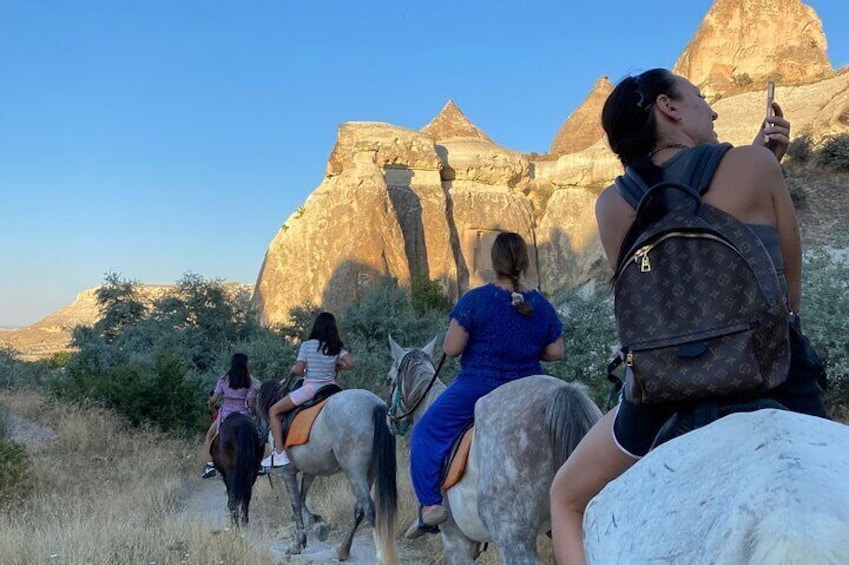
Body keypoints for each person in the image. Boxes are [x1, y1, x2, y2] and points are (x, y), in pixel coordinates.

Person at [549, 68, 826, 565]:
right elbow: (790, 299)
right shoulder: (756, 166)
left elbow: (660, 301)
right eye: (701, 98)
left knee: (565, 499)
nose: (713, 110)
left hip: (664, 395)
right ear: (668, 107)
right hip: (775, 377)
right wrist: (764, 161)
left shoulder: (611, 205)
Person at [406, 231, 565, 539]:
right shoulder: (540, 304)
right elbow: (557, 352)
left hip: (481, 384)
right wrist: (528, 347)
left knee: (425, 430)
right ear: (524, 262)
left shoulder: (475, 301)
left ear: (495, 263)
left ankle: (429, 506)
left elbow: (451, 349)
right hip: (530, 387)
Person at [261, 311, 355, 469]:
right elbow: (351, 364)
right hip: (333, 388)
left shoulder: (307, 345)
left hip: (311, 388)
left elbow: (299, 370)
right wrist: (337, 365)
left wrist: (293, 368)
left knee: (274, 411)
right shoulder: (336, 346)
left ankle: (279, 454)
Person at [201, 352, 257, 478]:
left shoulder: (223, 379)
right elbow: (251, 403)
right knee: (256, 437)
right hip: (243, 414)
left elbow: (214, 399)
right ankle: (256, 463)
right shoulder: (249, 381)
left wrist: (210, 405)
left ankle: (210, 464)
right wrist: (256, 412)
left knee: (210, 435)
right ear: (244, 365)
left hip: (226, 414)